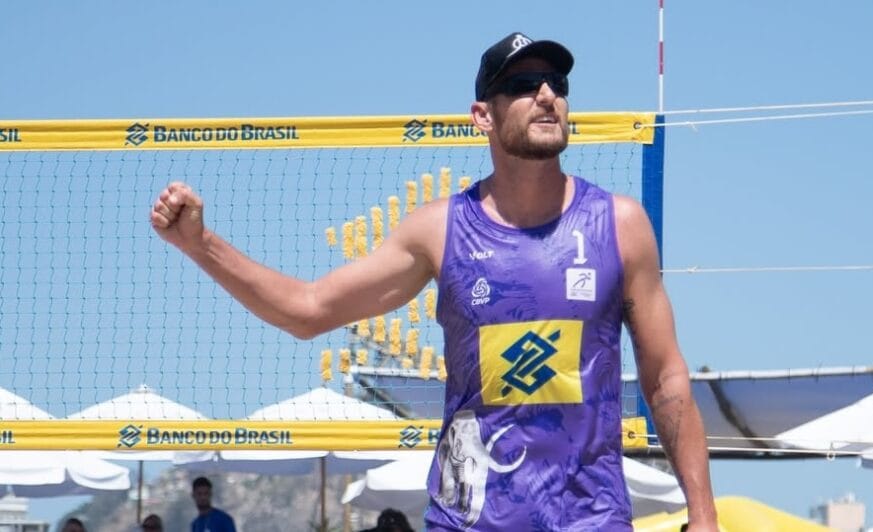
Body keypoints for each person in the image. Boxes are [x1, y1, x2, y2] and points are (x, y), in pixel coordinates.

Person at [151, 31, 717, 531]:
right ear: (483, 115)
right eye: (523, 85)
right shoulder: (439, 231)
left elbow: (665, 376)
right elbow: (308, 309)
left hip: (589, 519)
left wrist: (705, 516)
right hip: (469, 520)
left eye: (557, 83)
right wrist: (200, 245)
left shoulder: (618, 224)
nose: (548, 95)